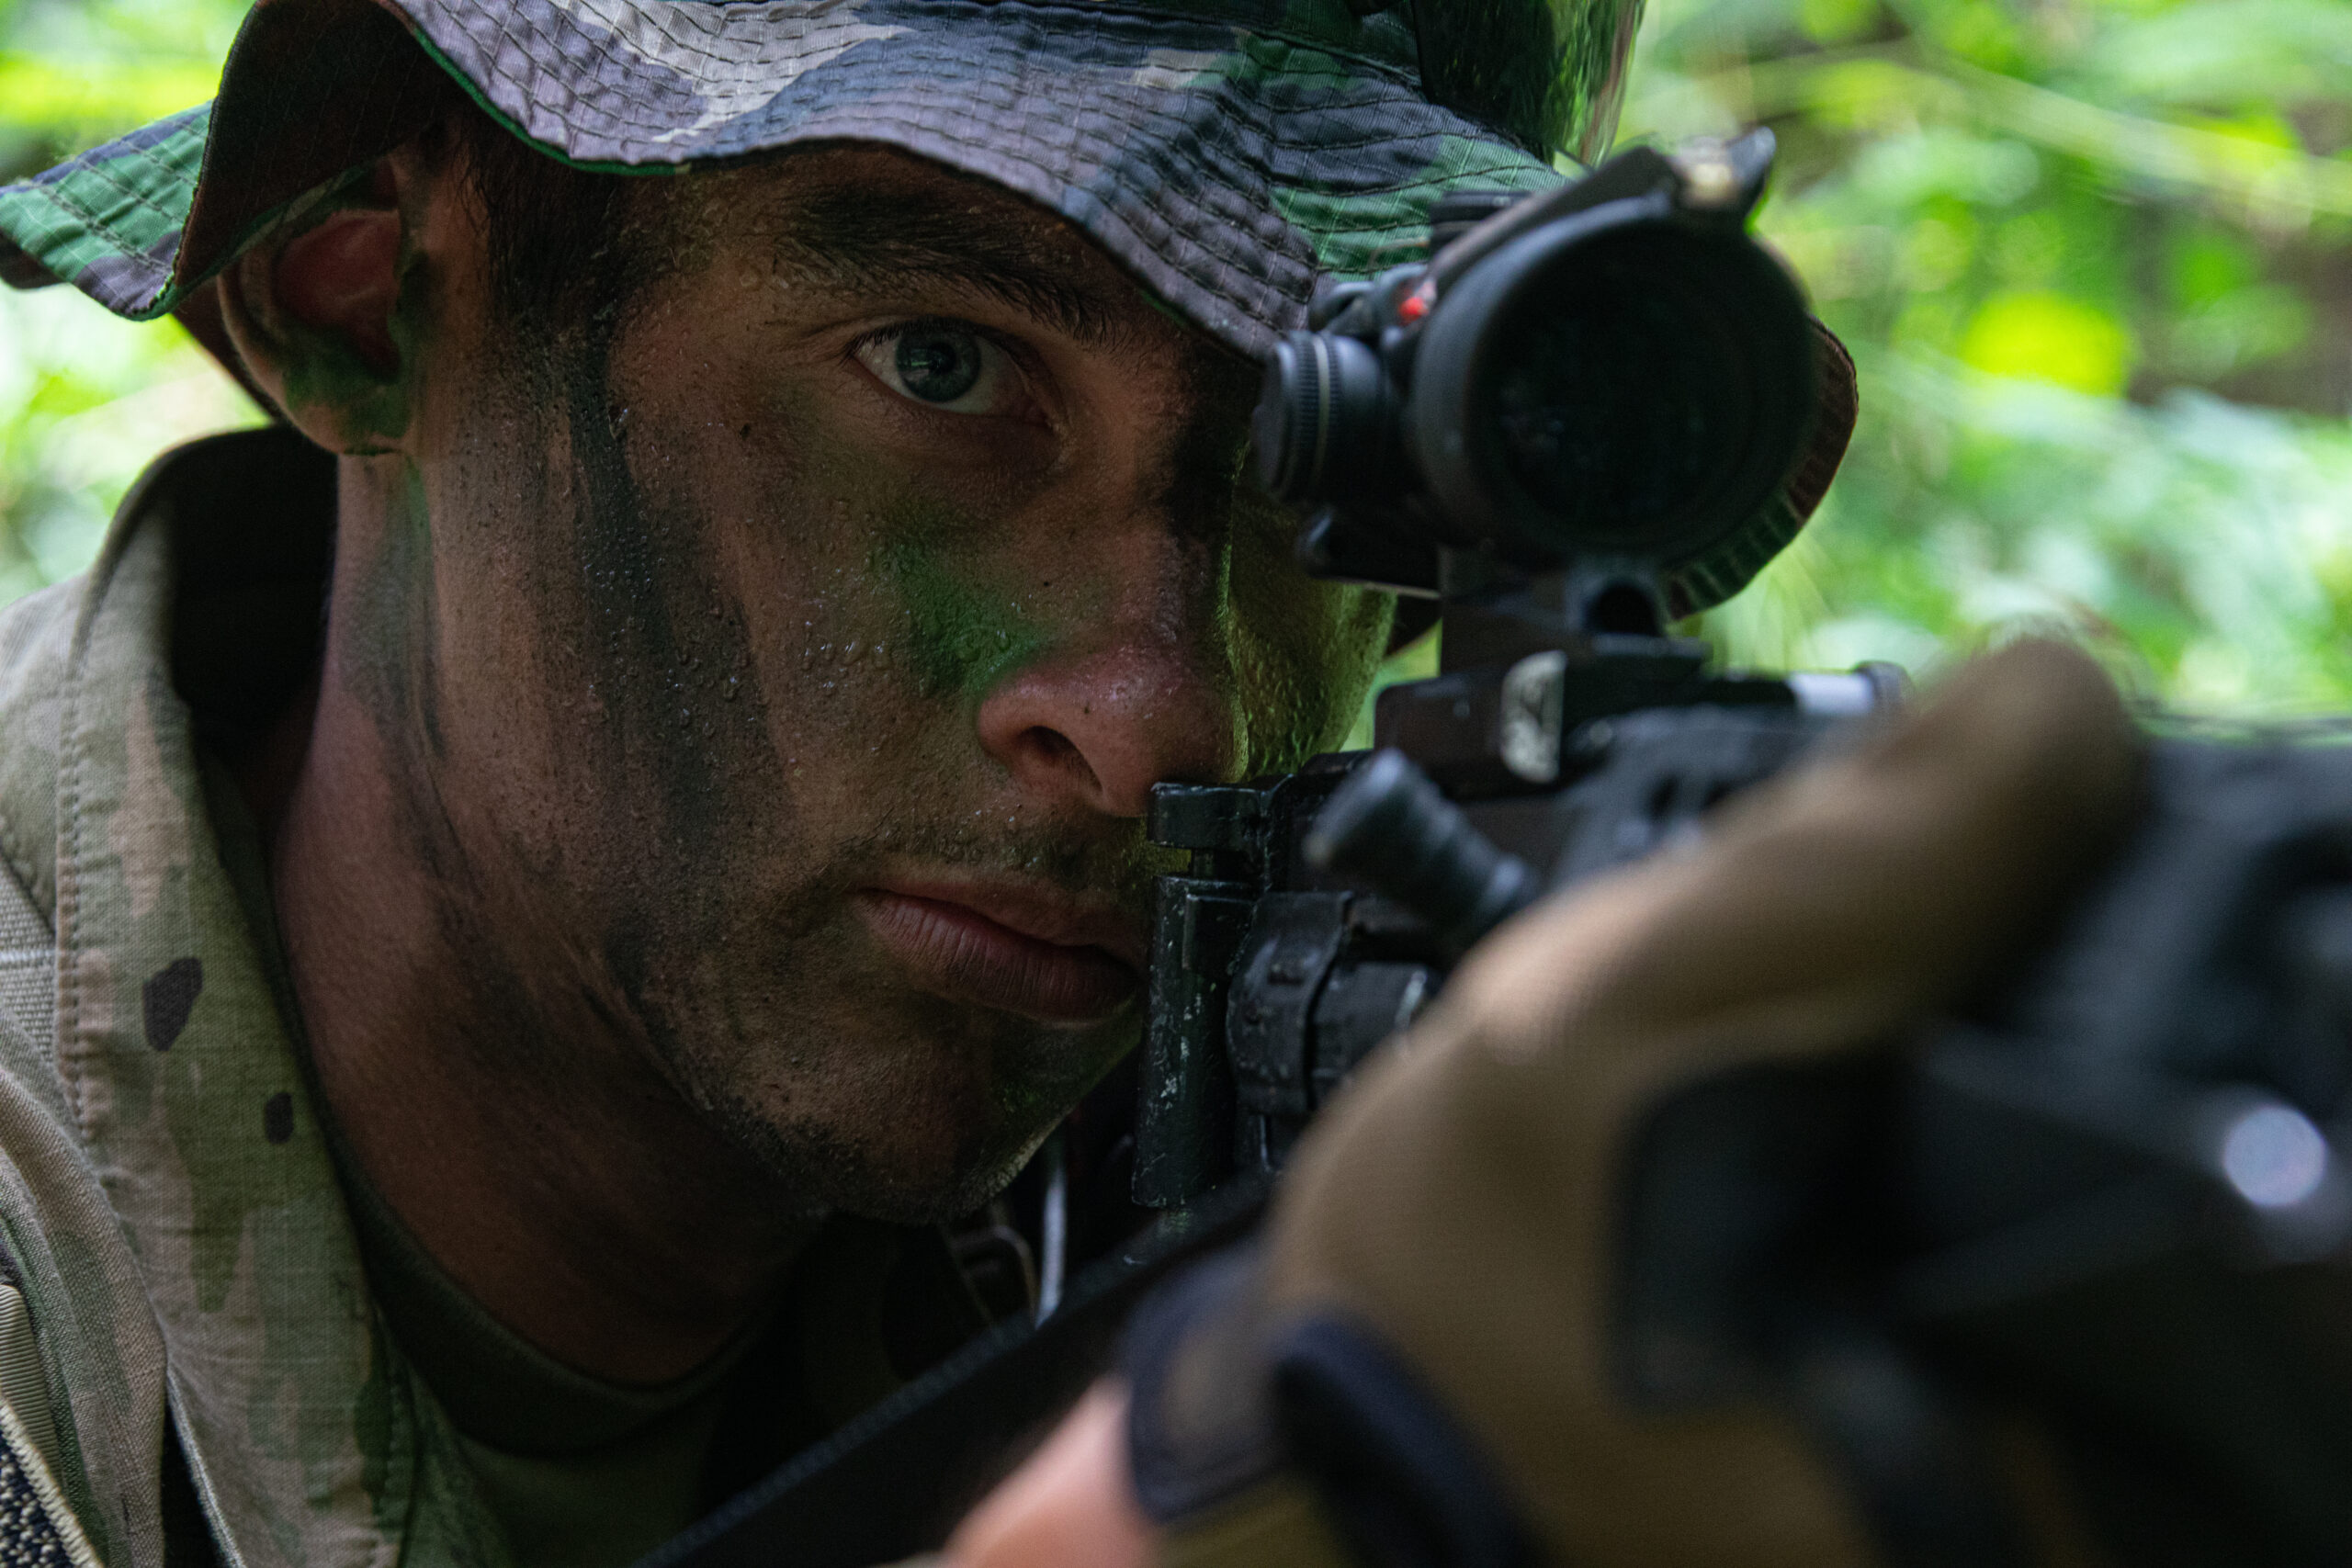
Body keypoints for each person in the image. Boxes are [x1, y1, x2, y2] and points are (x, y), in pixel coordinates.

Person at [0, 2, 1726, 1564]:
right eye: (940, 364)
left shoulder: (1283, 1201)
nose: (1162, 720)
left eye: (1313, 459)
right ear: (366, 291)